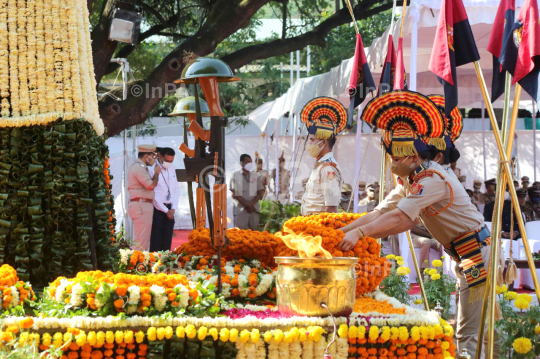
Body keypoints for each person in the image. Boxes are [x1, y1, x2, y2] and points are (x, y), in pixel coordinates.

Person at [336, 90, 497, 357]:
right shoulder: (412, 181)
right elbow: (380, 212)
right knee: (478, 326)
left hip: (475, 254)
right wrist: (344, 231)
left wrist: (360, 233)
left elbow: (401, 219)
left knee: (468, 332)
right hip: (464, 253)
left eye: (398, 156)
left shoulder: (432, 178)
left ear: (413, 155)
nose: (393, 161)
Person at [300, 97, 346, 216]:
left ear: (324, 142)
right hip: (310, 224)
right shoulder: (320, 166)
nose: (309, 144)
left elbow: (331, 208)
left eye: (312, 140)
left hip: (318, 227)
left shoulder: (328, 169)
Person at [128, 144, 161, 251]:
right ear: (147, 156)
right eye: (153, 156)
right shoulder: (138, 167)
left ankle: (137, 263)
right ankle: (133, 264)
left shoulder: (141, 167)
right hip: (141, 205)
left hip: (142, 204)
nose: (154, 159)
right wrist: (156, 173)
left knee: (143, 240)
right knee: (141, 241)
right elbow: (151, 186)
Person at [148, 147, 180, 252]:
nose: (169, 163)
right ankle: (155, 264)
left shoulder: (172, 168)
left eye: (171, 161)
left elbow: (175, 189)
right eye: (167, 161)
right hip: (158, 209)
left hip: (170, 208)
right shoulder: (152, 168)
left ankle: (165, 261)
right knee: (156, 240)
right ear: (160, 156)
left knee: (167, 239)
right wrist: (166, 211)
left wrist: (173, 208)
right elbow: (153, 193)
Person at [230, 154, 265, 230]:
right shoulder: (235, 175)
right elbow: (235, 193)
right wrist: (246, 205)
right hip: (240, 211)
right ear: (241, 163)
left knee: (255, 236)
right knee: (240, 236)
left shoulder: (256, 175)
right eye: (247, 162)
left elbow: (260, 192)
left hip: (253, 210)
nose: (249, 164)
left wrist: (251, 204)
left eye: (251, 162)